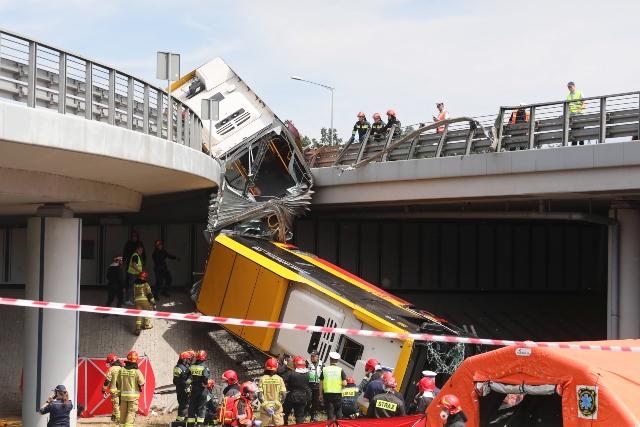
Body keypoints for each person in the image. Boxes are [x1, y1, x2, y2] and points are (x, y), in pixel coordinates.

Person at [117, 351, 145, 427]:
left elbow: (118, 382)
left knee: (123, 414)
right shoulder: (136, 371)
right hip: (133, 397)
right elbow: (142, 383)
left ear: (128, 359)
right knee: (131, 413)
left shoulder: (121, 370)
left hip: (123, 397)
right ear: (136, 360)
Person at [258, 357, 287, 426]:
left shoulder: (262, 379)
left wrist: (267, 408)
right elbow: (283, 395)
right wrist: (275, 407)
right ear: (276, 367)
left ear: (266, 367)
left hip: (265, 411)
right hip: (277, 411)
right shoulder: (279, 379)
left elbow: (259, 396)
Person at [283, 356, 311, 425]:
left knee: (285, 414)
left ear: (295, 364)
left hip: (291, 396)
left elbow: (283, 381)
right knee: (299, 417)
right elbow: (310, 386)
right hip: (303, 397)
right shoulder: (308, 374)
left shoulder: (291, 373)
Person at [319, 351, 346, 423]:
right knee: (338, 412)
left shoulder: (324, 369)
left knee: (330, 413)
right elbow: (344, 383)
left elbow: (321, 383)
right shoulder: (340, 370)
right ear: (337, 360)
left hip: (327, 395)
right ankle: (339, 424)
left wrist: (320, 394)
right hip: (337, 395)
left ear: (330, 359)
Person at [188, 350, 211, 426]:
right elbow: (205, 377)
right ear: (204, 357)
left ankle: (191, 423)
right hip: (202, 389)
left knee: (192, 405)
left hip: (193, 389)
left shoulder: (192, 366)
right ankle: (200, 424)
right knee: (201, 406)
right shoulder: (204, 367)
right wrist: (205, 383)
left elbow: (188, 376)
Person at [133, 271, 155, 335]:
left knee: (138, 314)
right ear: (145, 278)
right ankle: (146, 325)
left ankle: (138, 328)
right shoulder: (146, 284)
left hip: (136, 300)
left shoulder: (135, 284)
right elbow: (149, 294)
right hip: (144, 300)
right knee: (149, 310)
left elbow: (134, 293)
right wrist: (153, 303)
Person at [102, 353, 123, 423]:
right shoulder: (122, 368)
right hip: (122, 390)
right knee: (119, 404)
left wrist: (103, 390)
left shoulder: (111, 369)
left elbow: (107, 380)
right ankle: (114, 416)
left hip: (114, 390)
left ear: (111, 362)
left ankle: (119, 420)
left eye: (109, 362)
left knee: (116, 405)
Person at [173, 350, 193, 423]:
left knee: (185, 404)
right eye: (187, 359)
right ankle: (179, 421)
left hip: (183, 388)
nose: (188, 360)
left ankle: (182, 419)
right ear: (184, 359)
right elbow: (177, 380)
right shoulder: (179, 368)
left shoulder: (185, 366)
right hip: (182, 389)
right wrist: (186, 387)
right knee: (183, 404)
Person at [567, 81, 585, 146]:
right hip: (572, 116)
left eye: (570, 87)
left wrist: (579, 110)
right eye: (568, 87)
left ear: (574, 86)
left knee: (580, 131)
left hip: (579, 115)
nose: (569, 88)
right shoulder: (568, 96)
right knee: (573, 131)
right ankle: (574, 145)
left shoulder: (579, 93)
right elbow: (568, 106)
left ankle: (581, 144)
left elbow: (584, 103)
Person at [306, 351, 323, 422]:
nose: (311, 358)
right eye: (311, 356)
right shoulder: (308, 364)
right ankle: (306, 412)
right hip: (310, 385)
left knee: (315, 402)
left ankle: (313, 416)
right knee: (308, 399)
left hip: (317, 386)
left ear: (317, 357)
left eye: (313, 356)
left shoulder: (322, 365)